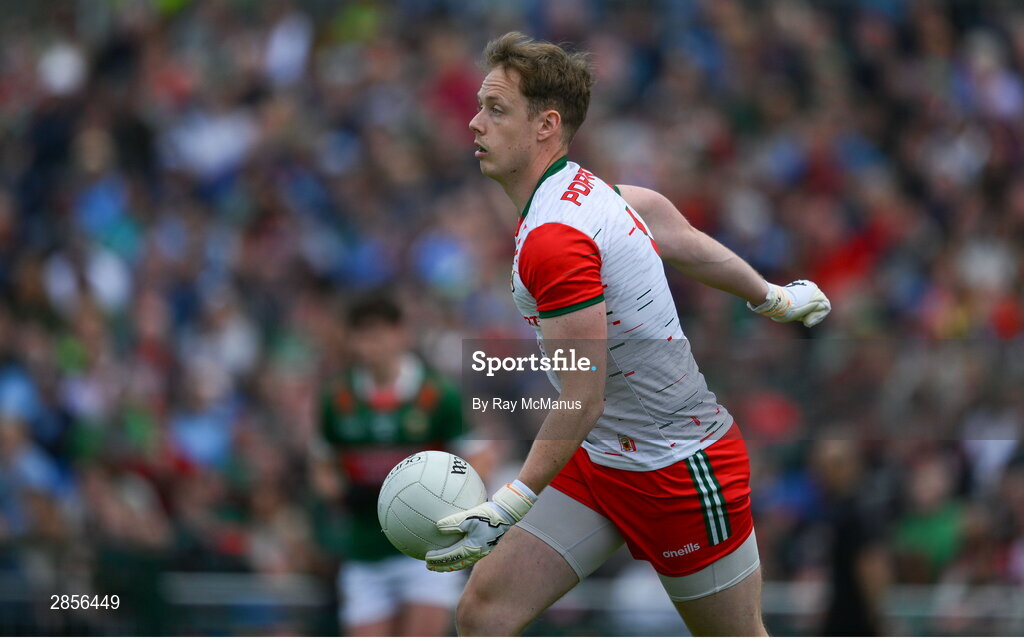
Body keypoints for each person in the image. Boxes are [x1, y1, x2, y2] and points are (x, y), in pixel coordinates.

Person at [422, 32, 831, 636]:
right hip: (601, 461)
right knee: (484, 613)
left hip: (679, 472)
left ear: (546, 125)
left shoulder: (554, 239)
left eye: (496, 108)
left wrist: (511, 500)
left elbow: (582, 397)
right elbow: (680, 236)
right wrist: (772, 297)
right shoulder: (594, 192)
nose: (475, 122)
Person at [312, 293, 480, 636]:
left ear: (400, 333)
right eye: (361, 334)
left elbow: (478, 456)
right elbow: (321, 465)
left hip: (427, 550)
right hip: (364, 549)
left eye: (378, 332)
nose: (370, 344)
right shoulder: (337, 399)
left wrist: (449, 499)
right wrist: (342, 494)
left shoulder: (437, 395)